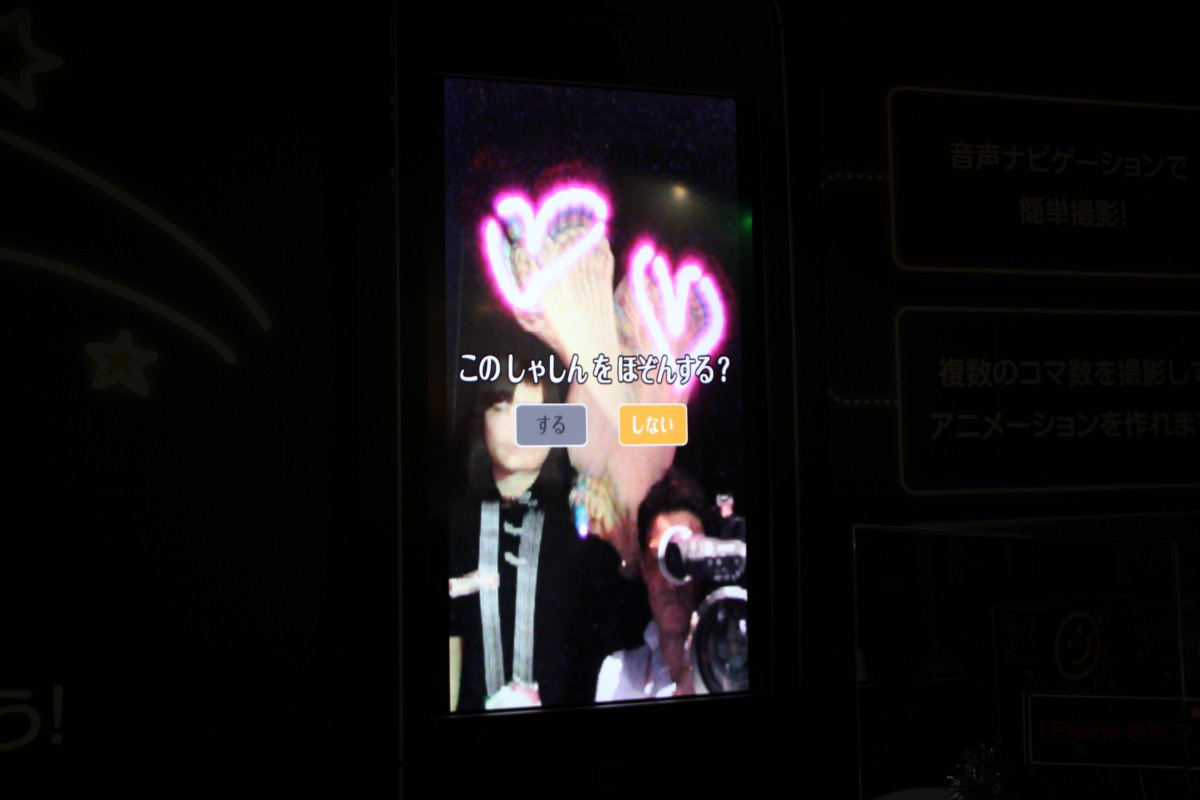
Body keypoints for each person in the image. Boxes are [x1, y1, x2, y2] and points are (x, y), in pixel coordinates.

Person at [448, 348, 641, 712]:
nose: (519, 426)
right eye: (503, 407)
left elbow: (625, 643)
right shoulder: (455, 525)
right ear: (482, 418)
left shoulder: (581, 530)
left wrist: (625, 549)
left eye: (534, 413)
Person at [594, 469, 708, 702]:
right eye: (660, 561)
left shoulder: (732, 673)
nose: (672, 582)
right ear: (644, 567)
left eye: (683, 561)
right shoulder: (617, 677)